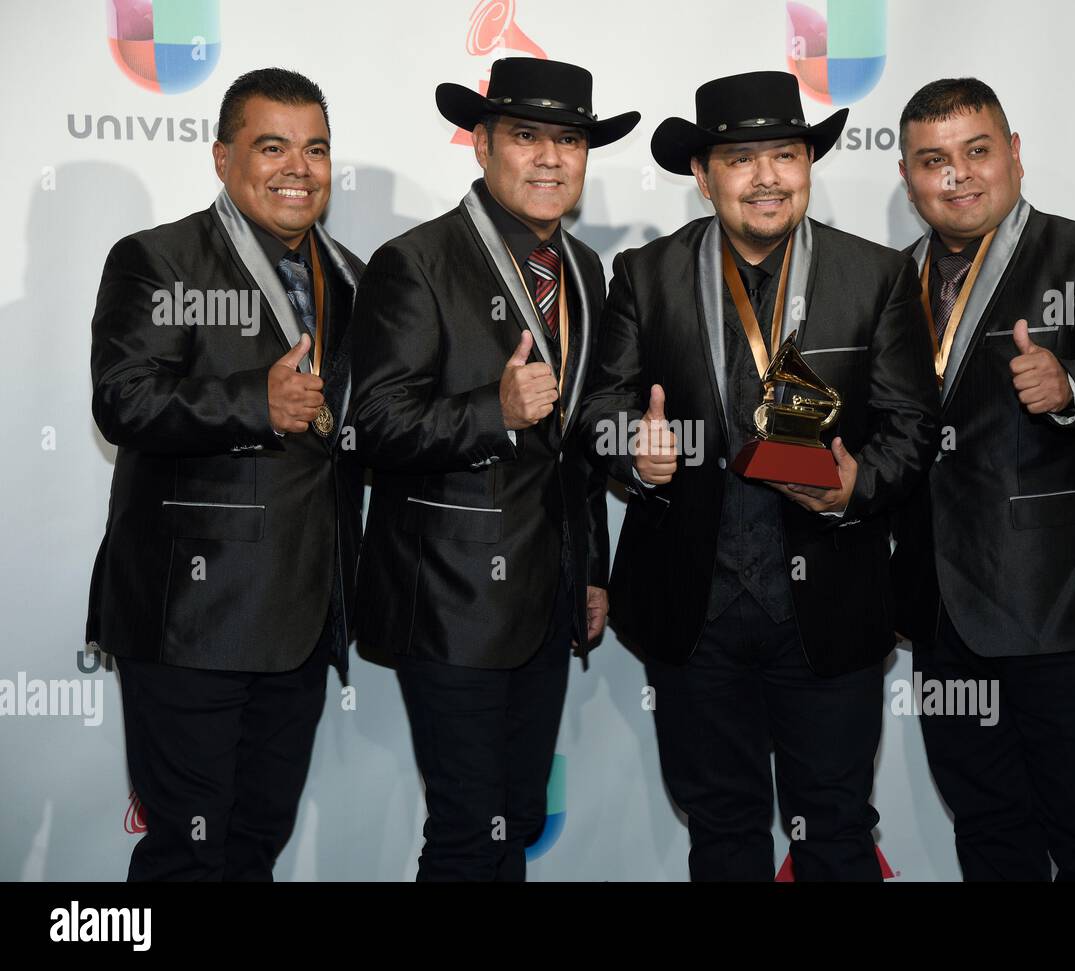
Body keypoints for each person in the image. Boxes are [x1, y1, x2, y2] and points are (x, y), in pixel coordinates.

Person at [578, 71, 939, 880]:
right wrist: (633, 448)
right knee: (723, 831)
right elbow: (598, 406)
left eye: (787, 153)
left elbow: (913, 430)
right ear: (703, 177)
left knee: (838, 833)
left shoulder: (877, 277)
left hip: (829, 611)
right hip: (691, 613)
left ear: (809, 165)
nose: (768, 176)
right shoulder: (645, 274)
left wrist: (856, 488)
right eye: (742, 159)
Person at [348, 58, 637, 881]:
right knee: (467, 838)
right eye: (527, 136)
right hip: (450, 602)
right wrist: (494, 411)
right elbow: (375, 425)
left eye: (570, 140)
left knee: (511, 823)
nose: (551, 158)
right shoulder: (415, 262)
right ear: (481, 143)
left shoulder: (585, 269)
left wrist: (590, 568)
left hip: (547, 602)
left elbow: (575, 442)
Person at [890, 77, 1075, 881]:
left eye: (977, 151)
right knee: (988, 836)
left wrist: (1072, 386)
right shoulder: (887, 281)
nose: (958, 175)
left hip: (1069, 613)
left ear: (1014, 154)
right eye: (933, 161)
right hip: (946, 619)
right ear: (908, 177)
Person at [88, 68, 365, 880]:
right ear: (221, 156)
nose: (298, 168)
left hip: (304, 612)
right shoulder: (157, 260)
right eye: (271, 145)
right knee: (189, 857)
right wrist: (253, 402)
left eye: (315, 149)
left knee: (251, 849)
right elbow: (123, 401)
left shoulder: (350, 274)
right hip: (193, 619)